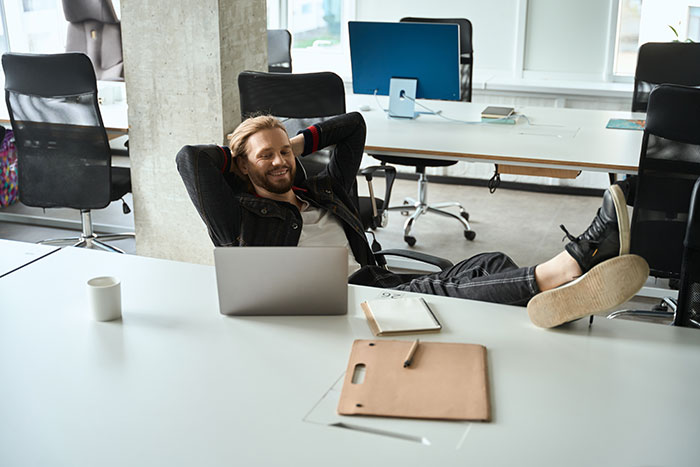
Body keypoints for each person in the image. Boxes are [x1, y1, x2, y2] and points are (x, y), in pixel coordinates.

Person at [177, 112, 648, 328]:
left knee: (487, 261)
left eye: (285, 153)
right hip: (334, 304)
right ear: (240, 165)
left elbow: (354, 125)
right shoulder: (235, 217)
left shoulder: (320, 187)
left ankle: (555, 304)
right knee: (436, 290)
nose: (280, 162)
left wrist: (290, 143)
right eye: (267, 157)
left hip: (371, 277)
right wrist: (247, 148)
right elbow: (190, 159)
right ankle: (571, 264)